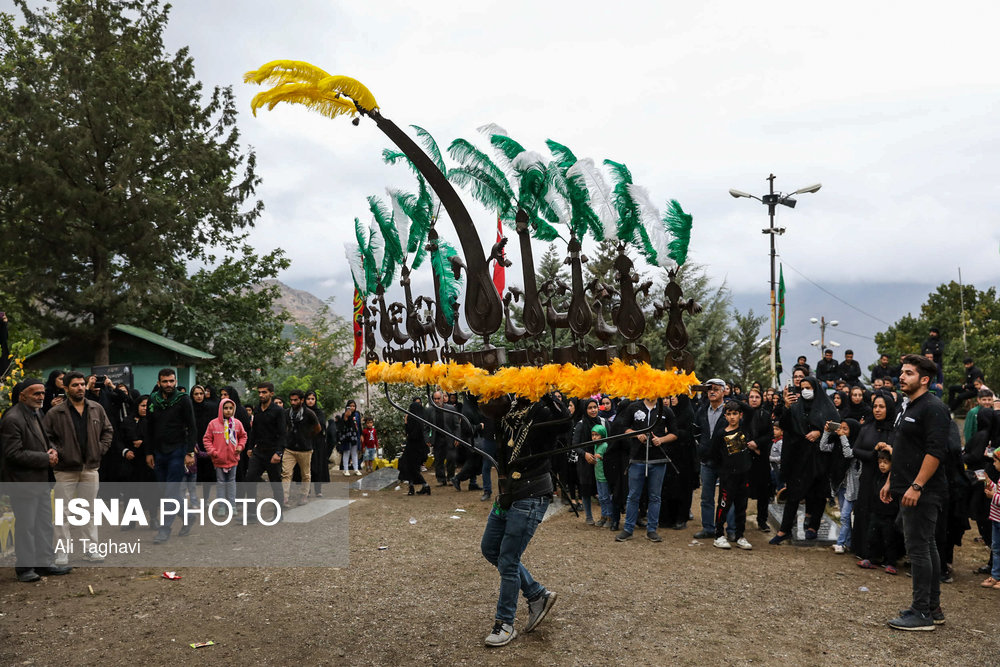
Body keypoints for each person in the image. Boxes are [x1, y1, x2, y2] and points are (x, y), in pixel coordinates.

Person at [480, 393, 565, 647]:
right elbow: (481, 408)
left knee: (508, 559)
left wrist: (548, 395)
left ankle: (505, 623)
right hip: (508, 494)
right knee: (490, 548)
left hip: (531, 494)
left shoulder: (543, 410)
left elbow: (565, 422)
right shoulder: (508, 410)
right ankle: (537, 594)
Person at [883, 354, 950, 631]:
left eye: (908, 373)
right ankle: (932, 608)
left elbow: (935, 452)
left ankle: (921, 613)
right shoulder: (907, 405)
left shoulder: (933, 408)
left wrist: (917, 485)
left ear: (924, 379)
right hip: (906, 487)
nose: (901, 376)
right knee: (927, 546)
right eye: (902, 372)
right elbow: (902, 448)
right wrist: (890, 481)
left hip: (923, 491)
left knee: (919, 549)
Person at [0, 378, 73, 582]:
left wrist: (52, 449)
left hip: (40, 481)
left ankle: (44, 563)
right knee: (26, 526)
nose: (41, 397)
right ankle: (25, 568)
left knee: (43, 524)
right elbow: (13, 453)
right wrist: (45, 458)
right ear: (23, 396)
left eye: (42, 393)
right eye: (36, 393)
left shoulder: (36, 412)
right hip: (22, 483)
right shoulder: (12, 418)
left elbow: (44, 437)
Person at [43, 371, 114, 563]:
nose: (80, 388)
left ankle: (90, 548)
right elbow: (46, 437)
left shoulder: (96, 408)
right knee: (62, 511)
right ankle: (62, 550)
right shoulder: (55, 413)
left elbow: (108, 431)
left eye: (82, 384)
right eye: (75, 385)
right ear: (65, 388)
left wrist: (100, 449)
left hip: (90, 467)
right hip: (65, 469)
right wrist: (58, 452)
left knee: (88, 510)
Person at [770, 376, 840, 545]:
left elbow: (836, 430)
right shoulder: (796, 407)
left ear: (816, 388)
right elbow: (786, 425)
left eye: (809, 387)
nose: (805, 391)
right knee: (794, 494)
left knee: (818, 495)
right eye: (802, 388)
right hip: (799, 457)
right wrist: (786, 406)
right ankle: (784, 530)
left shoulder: (827, 407)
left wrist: (819, 433)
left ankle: (813, 527)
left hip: (819, 458)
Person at [145, 368, 198, 543]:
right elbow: (149, 428)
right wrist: (149, 452)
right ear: (158, 382)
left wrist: (190, 452)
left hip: (178, 450)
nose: (168, 384)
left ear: (175, 381)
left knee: (171, 491)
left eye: (171, 381)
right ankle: (188, 516)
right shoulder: (153, 399)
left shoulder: (183, 400)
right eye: (165, 381)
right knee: (165, 490)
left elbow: (192, 427)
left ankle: (164, 529)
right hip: (159, 451)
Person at [615, 397, 677, 543]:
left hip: (658, 459)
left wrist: (661, 440)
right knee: (633, 495)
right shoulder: (633, 407)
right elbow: (623, 427)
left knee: (655, 496)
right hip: (637, 458)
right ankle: (628, 529)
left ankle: (652, 530)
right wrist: (637, 434)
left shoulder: (665, 410)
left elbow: (675, 433)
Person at [707, 401, 754, 550]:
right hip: (728, 476)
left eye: (735, 414)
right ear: (725, 416)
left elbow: (750, 411)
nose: (732, 417)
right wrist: (723, 468)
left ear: (740, 415)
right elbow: (713, 454)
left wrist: (734, 400)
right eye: (729, 414)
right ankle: (718, 535)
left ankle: (740, 535)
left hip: (744, 475)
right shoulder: (721, 433)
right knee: (724, 505)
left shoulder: (744, 428)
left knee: (742, 506)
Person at [694, 378, 734, 540]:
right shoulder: (702, 410)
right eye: (709, 389)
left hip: (725, 462)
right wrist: (701, 448)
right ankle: (708, 528)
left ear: (724, 391)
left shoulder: (730, 411)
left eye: (716, 389)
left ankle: (731, 529)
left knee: (728, 497)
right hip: (706, 461)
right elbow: (696, 432)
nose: (712, 391)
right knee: (706, 497)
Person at [858, 449, 904, 574]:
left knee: (890, 539)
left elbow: (898, 462)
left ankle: (891, 562)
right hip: (876, 512)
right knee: (872, 537)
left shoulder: (894, 480)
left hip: (889, 515)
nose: (882, 465)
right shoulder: (877, 476)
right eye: (880, 462)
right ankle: (871, 558)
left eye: (886, 462)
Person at [245, 382, 286, 516]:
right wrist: (250, 447)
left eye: (264, 392)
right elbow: (254, 430)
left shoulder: (278, 411)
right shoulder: (257, 410)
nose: (261, 395)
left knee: (276, 483)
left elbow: (282, 434)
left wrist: (278, 453)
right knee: (250, 479)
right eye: (259, 392)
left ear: (271, 394)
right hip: (258, 452)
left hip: (273, 452)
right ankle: (251, 513)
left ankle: (278, 513)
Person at [202, 397, 247, 512]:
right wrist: (213, 452)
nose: (228, 410)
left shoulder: (237, 423)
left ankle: (232, 505)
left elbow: (243, 436)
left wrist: (240, 446)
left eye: (230, 408)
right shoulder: (213, 424)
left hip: (233, 458)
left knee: (232, 482)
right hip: (219, 459)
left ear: (234, 409)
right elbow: (206, 439)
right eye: (225, 408)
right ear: (221, 409)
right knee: (221, 483)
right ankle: (221, 506)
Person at [282, 389, 319, 506]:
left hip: (305, 449)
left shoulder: (309, 413)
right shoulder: (287, 413)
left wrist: (307, 436)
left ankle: (304, 496)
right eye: (291, 400)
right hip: (290, 448)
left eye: (295, 400)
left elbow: (318, 428)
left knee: (305, 474)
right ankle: (284, 498)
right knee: (286, 473)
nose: (293, 402)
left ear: (302, 400)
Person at [571, 398, 605, 525]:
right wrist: (585, 454)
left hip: (599, 460)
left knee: (602, 489)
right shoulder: (580, 424)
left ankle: (604, 516)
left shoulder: (601, 422)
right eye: (590, 408)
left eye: (595, 407)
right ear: (585, 410)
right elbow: (575, 444)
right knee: (585, 489)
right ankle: (589, 516)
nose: (593, 410)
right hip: (585, 462)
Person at [398, 398, 431, 496]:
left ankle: (425, 485)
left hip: (413, 448)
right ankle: (412, 487)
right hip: (419, 448)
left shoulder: (413, 419)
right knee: (411, 468)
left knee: (411, 469)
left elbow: (410, 434)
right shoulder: (421, 418)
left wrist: (406, 423)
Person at [428, 391, 459, 485]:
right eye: (435, 399)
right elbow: (426, 426)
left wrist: (457, 438)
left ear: (443, 398)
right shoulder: (430, 410)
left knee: (451, 458)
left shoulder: (451, 409)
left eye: (438, 398)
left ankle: (450, 477)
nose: (436, 401)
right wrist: (428, 439)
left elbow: (457, 425)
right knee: (438, 460)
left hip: (449, 438)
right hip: (437, 439)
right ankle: (441, 479)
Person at [981, 450, 1000, 589]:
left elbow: (998, 496)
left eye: (995, 461)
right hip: (996, 519)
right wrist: (988, 482)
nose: (994, 464)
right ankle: (995, 576)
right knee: (996, 548)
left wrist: (992, 495)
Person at [305, 391, 329, 495]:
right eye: (308, 399)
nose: (310, 401)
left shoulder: (319, 413)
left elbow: (321, 425)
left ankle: (318, 490)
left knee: (318, 465)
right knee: (307, 466)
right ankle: (307, 489)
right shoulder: (302, 412)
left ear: (315, 400)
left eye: (312, 399)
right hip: (305, 442)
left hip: (318, 442)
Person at [591, 424, 614, 527]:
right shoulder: (596, 446)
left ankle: (610, 517)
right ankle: (603, 516)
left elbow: (610, 460)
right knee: (601, 497)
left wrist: (601, 458)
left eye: (597, 435)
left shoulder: (605, 445)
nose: (594, 437)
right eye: (593, 435)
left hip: (604, 476)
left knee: (606, 497)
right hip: (598, 475)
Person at [342, 400, 363, 476]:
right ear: (347, 406)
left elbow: (359, 425)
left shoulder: (357, 414)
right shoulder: (344, 414)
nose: (352, 407)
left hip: (355, 436)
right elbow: (344, 425)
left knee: (354, 453)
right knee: (346, 452)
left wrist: (361, 435)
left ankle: (356, 469)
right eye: (350, 406)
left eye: (353, 406)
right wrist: (346, 416)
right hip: (347, 436)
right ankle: (346, 469)